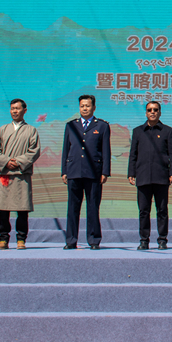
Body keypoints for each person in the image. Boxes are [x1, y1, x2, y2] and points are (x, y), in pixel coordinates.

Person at [62, 94, 111, 250]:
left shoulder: (102, 126)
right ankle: (71, 240)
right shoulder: (71, 125)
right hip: (74, 171)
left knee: (93, 207)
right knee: (72, 208)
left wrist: (105, 172)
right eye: (82, 106)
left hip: (93, 172)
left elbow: (106, 150)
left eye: (88, 106)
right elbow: (66, 149)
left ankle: (94, 240)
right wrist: (64, 171)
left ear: (94, 108)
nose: (85, 108)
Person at [0, 98, 41, 250]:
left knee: (22, 209)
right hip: (4, 174)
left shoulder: (31, 130)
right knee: (3, 209)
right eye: (12, 108)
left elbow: (34, 151)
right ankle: (3, 239)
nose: (14, 111)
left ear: (25, 110)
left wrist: (18, 161)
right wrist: (6, 161)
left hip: (21, 175)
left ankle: (21, 239)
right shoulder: (3, 129)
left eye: (17, 108)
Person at [128, 101, 172, 250]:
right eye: (149, 110)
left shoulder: (167, 131)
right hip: (143, 177)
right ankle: (144, 240)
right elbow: (133, 154)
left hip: (161, 177)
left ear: (160, 112)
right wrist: (131, 172)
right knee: (144, 211)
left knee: (162, 210)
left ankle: (162, 240)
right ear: (146, 113)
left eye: (155, 110)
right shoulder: (138, 131)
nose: (152, 112)